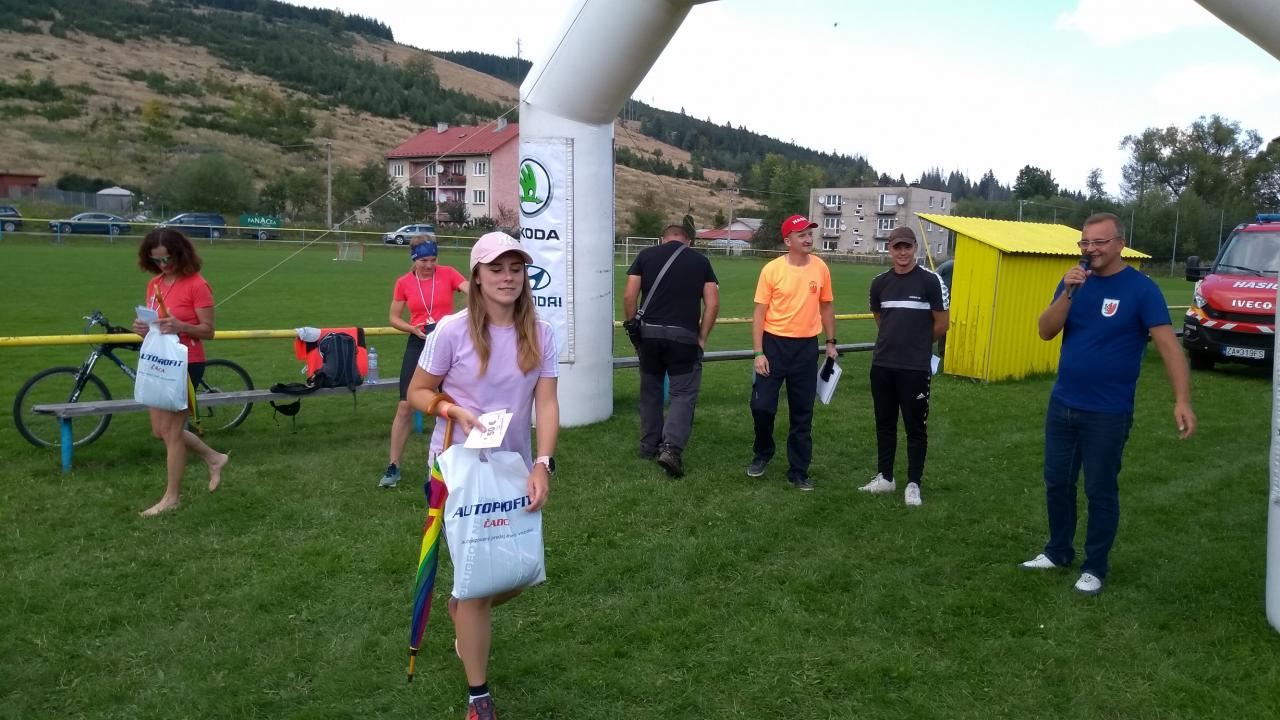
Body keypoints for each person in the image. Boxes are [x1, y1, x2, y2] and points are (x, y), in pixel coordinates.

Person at [407, 231, 558, 720]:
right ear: (476, 276)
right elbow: (417, 392)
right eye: (496, 269)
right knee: (476, 583)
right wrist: (450, 409)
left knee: (515, 574)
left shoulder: (541, 331)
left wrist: (543, 463)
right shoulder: (451, 331)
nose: (507, 277)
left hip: (514, 468)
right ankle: (478, 697)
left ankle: (462, 610)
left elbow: (547, 402)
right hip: (458, 470)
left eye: (516, 268)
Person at [1020, 212, 1196, 595]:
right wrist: (1068, 292)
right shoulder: (1073, 282)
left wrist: (1182, 399)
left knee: (1100, 489)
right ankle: (1057, 551)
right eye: (1085, 242)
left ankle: (1095, 567)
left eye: (1099, 242)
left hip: (1107, 411)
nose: (1091, 249)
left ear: (1119, 244)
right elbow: (1046, 331)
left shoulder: (1141, 289)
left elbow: (1169, 347)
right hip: (1063, 403)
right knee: (1057, 482)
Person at [131, 228, 229, 517]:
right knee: (159, 431)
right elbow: (157, 326)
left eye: (168, 259)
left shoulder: (197, 285)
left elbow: (208, 331)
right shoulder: (154, 285)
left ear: (181, 254)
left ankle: (172, 497)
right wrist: (142, 328)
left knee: (173, 432)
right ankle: (214, 458)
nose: (164, 265)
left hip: (187, 363)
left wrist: (181, 326)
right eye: (157, 260)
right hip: (158, 360)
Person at [859, 226, 949, 506]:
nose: (902, 252)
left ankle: (913, 483)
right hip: (883, 365)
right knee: (884, 424)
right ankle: (885, 477)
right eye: (897, 247)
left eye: (907, 247)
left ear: (915, 248)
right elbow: (881, 320)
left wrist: (917, 343)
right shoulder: (879, 283)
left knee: (915, 428)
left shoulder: (931, 281)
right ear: (889, 249)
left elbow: (942, 323)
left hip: (915, 367)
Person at [747, 214, 838, 491]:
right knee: (762, 407)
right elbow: (759, 313)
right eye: (802, 235)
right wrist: (759, 353)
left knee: (802, 412)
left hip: (806, 348)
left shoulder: (820, 268)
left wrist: (830, 342)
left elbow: (826, 306)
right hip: (773, 346)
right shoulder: (771, 270)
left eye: (810, 234)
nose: (808, 239)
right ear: (788, 241)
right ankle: (763, 452)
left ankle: (798, 470)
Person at [623, 223, 720, 477]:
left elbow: (629, 295)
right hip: (684, 337)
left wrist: (633, 326)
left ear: (661, 239)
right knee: (683, 394)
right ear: (689, 242)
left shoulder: (645, 255)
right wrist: (702, 337)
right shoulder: (701, 261)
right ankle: (671, 449)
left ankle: (648, 446)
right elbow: (712, 304)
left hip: (650, 335)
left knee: (651, 390)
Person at [379, 233, 467, 488]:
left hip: (447, 341)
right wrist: (412, 328)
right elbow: (394, 317)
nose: (429, 265)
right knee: (405, 405)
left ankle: (463, 461)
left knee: (458, 401)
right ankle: (394, 466)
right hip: (419, 341)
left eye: (433, 259)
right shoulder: (404, 282)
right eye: (424, 261)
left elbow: (472, 291)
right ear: (414, 259)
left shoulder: (448, 273)